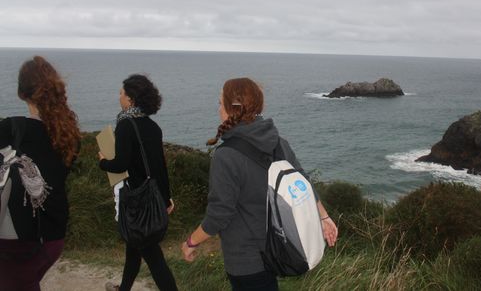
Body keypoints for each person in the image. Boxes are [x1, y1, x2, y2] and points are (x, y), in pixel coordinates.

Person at [181, 77, 338, 291]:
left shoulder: (226, 155)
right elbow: (303, 181)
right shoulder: (278, 142)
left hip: (245, 259)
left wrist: (191, 242)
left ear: (230, 108)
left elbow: (220, 213)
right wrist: (324, 216)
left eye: (220, 103)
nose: (218, 108)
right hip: (278, 247)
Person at [0, 56, 81, 291]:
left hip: (15, 239)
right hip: (53, 237)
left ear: (21, 92)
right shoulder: (69, 135)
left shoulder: (11, 128)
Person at [99, 74, 177, 291]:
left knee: (153, 257)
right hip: (152, 197)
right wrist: (166, 197)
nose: (119, 97)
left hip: (137, 201)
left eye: (122, 93)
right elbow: (160, 166)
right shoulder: (153, 127)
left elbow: (120, 164)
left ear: (131, 98)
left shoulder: (125, 125)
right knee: (133, 249)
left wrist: (103, 162)